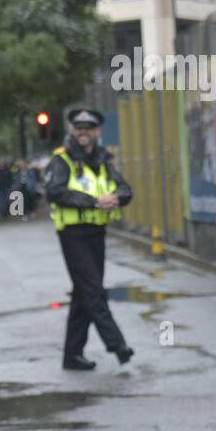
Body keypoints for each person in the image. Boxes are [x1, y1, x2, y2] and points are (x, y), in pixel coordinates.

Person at [44, 107, 135, 370]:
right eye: (79, 128)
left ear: (96, 132)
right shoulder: (62, 159)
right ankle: (118, 345)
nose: (83, 133)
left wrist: (117, 198)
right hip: (73, 234)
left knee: (84, 293)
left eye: (89, 128)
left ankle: (72, 355)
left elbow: (124, 187)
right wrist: (94, 202)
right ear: (73, 130)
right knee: (93, 290)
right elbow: (55, 191)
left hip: (97, 232)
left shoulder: (103, 159)